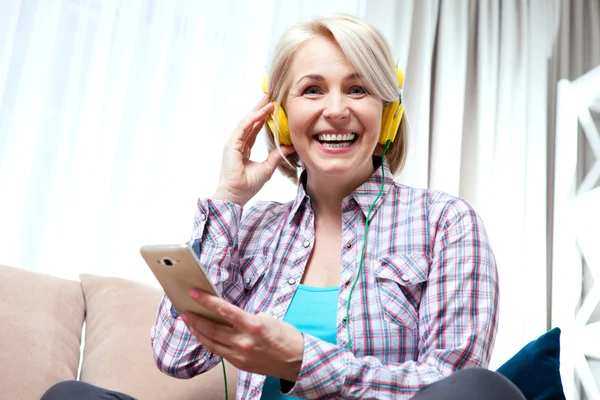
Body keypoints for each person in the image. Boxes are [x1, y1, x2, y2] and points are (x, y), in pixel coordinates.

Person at [42, 13, 525, 400]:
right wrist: (228, 199)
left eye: (357, 89)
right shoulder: (255, 231)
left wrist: (302, 361)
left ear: (388, 113)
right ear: (280, 115)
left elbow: (453, 384)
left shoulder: (445, 222)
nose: (336, 109)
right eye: (312, 89)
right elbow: (176, 355)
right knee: (70, 397)